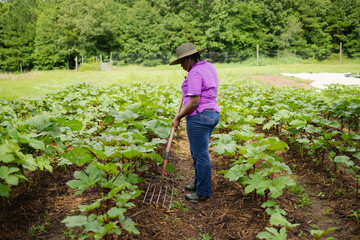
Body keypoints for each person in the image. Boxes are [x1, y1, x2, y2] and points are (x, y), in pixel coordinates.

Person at [170, 43, 220, 201]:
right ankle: (198, 184)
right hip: (212, 114)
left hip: (199, 116)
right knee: (198, 152)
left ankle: (203, 192)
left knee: (200, 154)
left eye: (183, 63)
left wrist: (178, 117)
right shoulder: (208, 66)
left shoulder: (194, 73)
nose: (182, 67)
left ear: (190, 58)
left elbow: (194, 102)